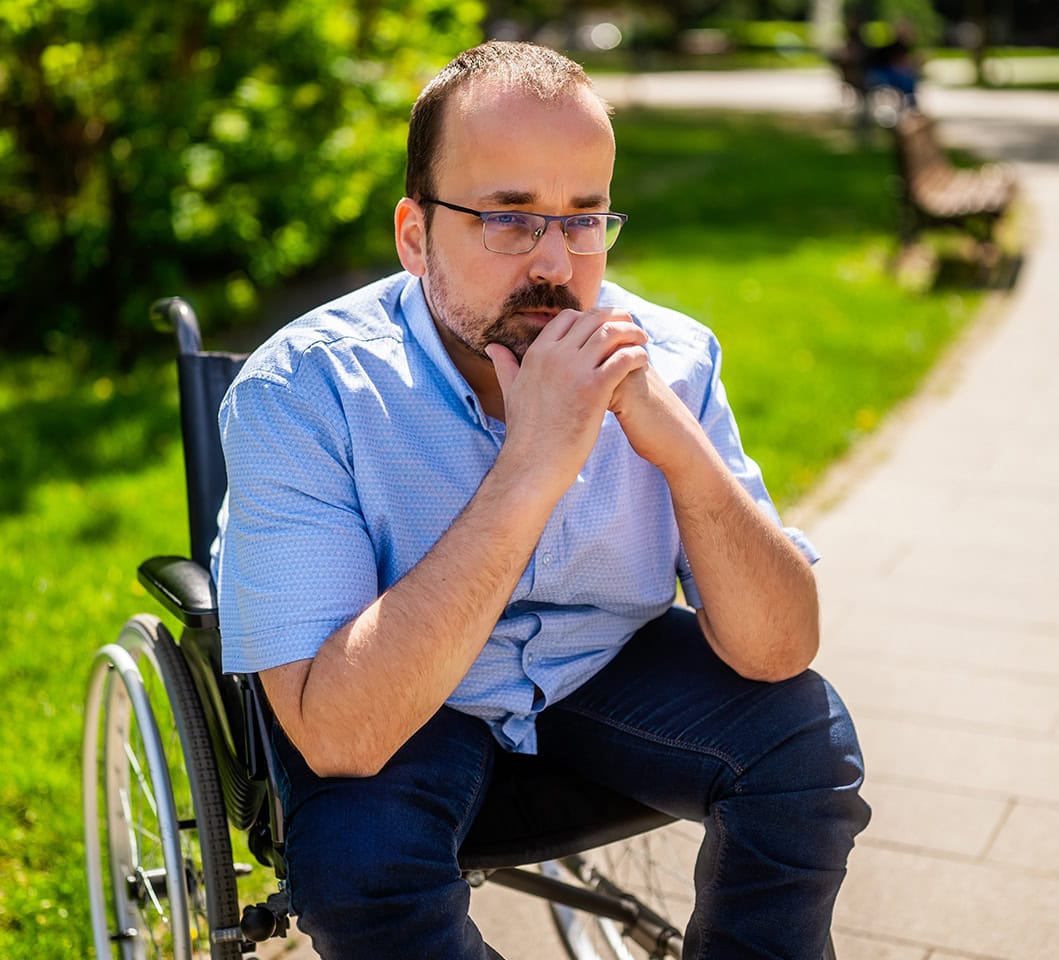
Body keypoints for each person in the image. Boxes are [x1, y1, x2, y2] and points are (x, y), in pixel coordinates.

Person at [213, 40, 869, 959]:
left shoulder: (673, 358)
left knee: (809, 750)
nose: (555, 261)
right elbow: (340, 734)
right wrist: (533, 466)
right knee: (360, 869)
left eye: (584, 217)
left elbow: (780, 646)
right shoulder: (303, 391)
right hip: (404, 697)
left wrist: (673, 442)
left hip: (596, 667)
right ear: (414, 235)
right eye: (508, 218)